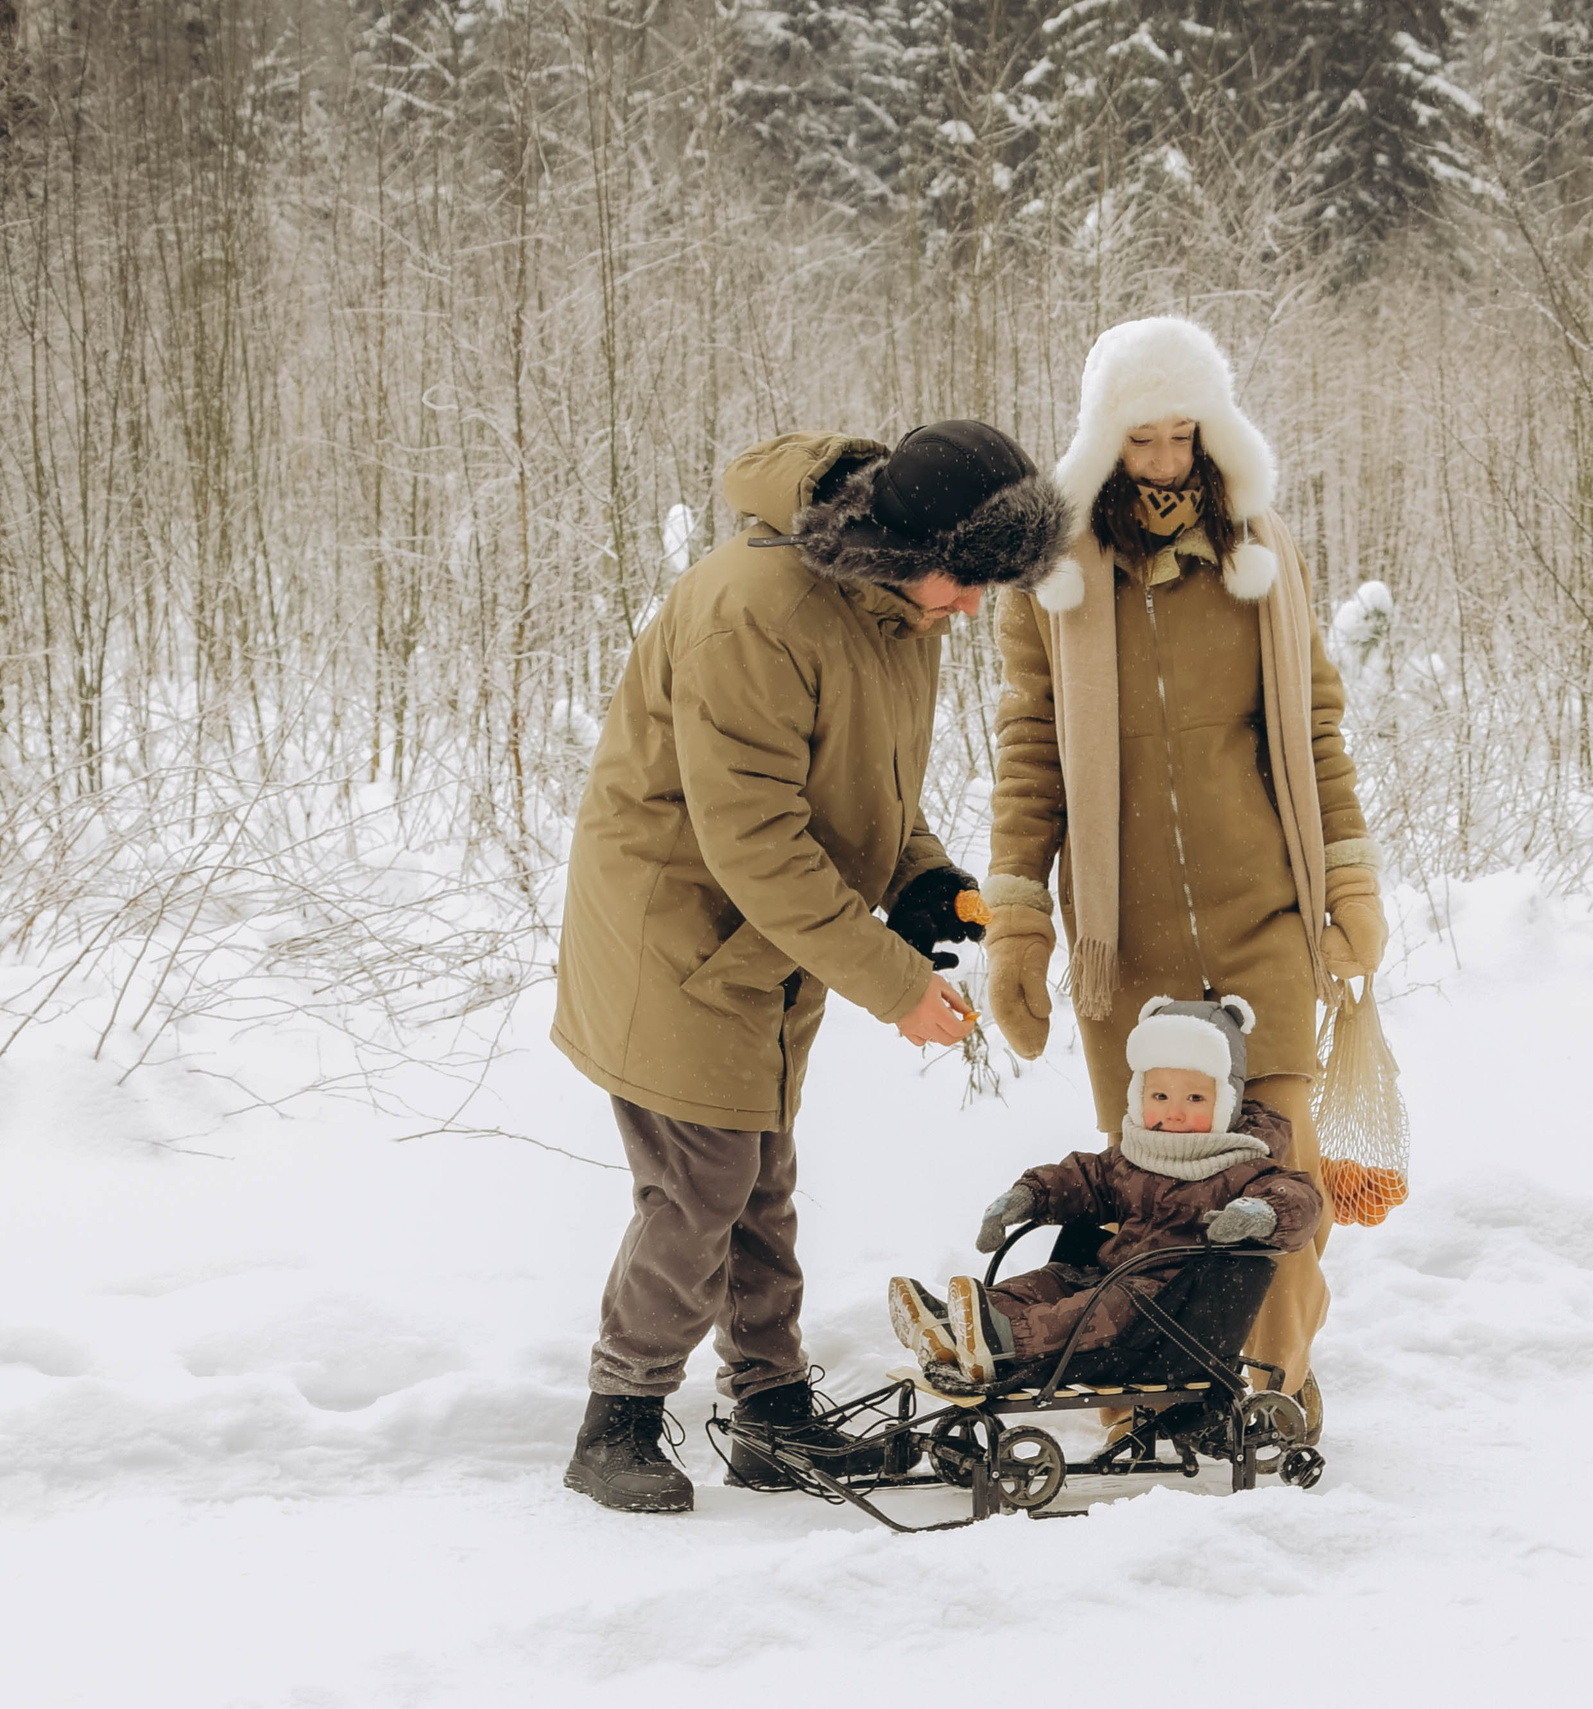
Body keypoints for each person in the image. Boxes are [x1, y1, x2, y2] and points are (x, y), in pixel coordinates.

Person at [552, 422, 1071, 1514]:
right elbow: (756, 840)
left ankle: (770, 1412)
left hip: (768, 942)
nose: (974, 605)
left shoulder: (898, 609)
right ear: (899, 543)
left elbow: (858, 780)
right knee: (699, 1190)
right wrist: (892, 982)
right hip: (679, 936)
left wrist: (921, 871)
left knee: (760, 1184)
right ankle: (618, 1419)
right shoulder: (757, 612)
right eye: (966, 576)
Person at [982, 317, 1387, 1431]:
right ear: (1103, 442)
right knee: (1154, 1191)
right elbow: (1029, 751)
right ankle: (1156, 1391)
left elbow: (1312, 730)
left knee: (1280, 1174)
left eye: (1181, 437)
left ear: (1210, 435)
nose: (1163, 463)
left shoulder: (1261, 554)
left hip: (1264, 918)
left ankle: (1271, 1384)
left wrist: (1350, 881)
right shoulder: (1053, 579)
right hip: (1131, 941)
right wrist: (1018, 923)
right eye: (1141, 440)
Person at [887, 996, 1322, 1384]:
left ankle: (1001, 1340)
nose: (1171, 1113)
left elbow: (1298, 1197)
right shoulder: (1132, 1156)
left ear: (1225, 1102)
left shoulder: (1243, 1164)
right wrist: (1027, 1196)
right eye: (1159, 1095)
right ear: (1138, 1096)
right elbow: (1081, 1178)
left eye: (1194, 1099)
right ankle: (955, 1327)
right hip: (1108, 1275)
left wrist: (1262, 1212)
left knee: (1104, 1307)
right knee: (1051, 1283)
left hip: (1169, 1308)